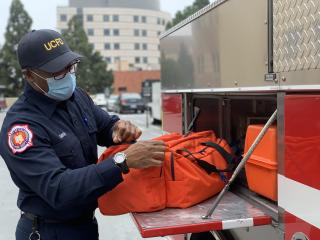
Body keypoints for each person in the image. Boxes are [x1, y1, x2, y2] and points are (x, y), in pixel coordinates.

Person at [0, 29, 165, 240]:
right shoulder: (21, 128)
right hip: (49, 231)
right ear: (30, 75)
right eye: (57, 71)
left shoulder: (76, 97)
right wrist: (122, 161)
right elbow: (58, 189)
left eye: (70, 66)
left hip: (85, 226)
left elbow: (105, 126)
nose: (68, 75)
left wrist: (119, 128)